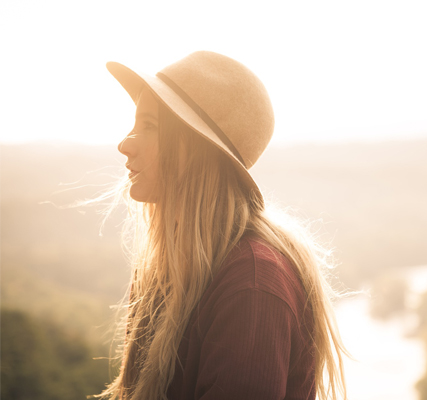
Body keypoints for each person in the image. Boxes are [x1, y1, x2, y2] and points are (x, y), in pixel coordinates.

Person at [97, 51, 348, 400]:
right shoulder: (167, 268)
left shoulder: (253, 284)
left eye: (150, 126)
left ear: (196, 148)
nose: (125, 144)